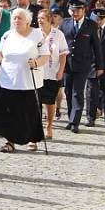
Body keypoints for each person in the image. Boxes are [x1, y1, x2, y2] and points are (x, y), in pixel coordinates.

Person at [0, 8, 49, 153]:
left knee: (30, 111)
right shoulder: (7, 35)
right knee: (9, 111)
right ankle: (9, 141)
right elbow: (0, 54)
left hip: (29, 80)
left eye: (20, 18)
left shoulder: (37, 34)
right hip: (8, 80)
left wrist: (36, 62)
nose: (16, 20)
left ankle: (32, 139)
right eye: (15, 18)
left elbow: (45, 55)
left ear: (28, 20)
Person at [59, 0, 104, 133]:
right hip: (67, 64)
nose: (75, 13)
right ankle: (70, 117)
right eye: (73, 10)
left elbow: (96, 46)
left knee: (77, 92)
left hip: (84, 64)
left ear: (84, 10)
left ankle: (75, 122)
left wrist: (99, 65)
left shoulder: (91, 25)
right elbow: (61, 44)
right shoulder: (65, 23)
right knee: (68, 92)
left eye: (78, 10)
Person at [36, 10, 68, 139]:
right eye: (38, 18)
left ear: (50, 19)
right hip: (37, 73)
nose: (40, 20)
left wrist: (61, 71)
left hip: (52, 73)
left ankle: (48, 125)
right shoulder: (34, 34)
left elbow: (63, 55)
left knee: (49, 101)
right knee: (36, 102)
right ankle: (36, 128)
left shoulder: (58, 34)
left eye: (42, 18)